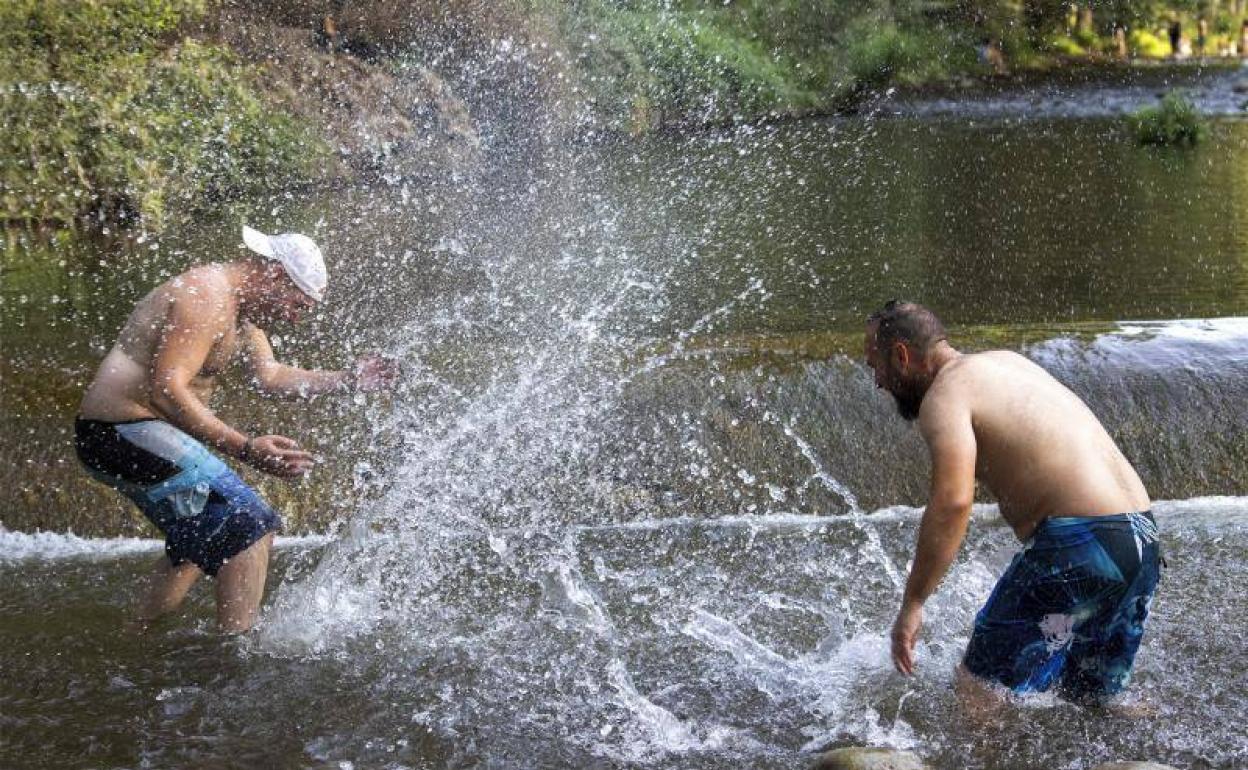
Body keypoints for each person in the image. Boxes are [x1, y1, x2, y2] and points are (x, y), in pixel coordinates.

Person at [75, 225, 397, 633]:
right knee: (250, 524)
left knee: (201, 538)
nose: (293, 318)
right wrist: (246, 448)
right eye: (297, 305)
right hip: (118, 431)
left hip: (132, 434)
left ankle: (134, 637)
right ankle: (236, 655)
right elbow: (166, 390)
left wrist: (349, 379)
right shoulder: (206, 294)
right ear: (276, 274)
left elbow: (270, 376)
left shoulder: (241, 311)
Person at [863, 300, 1161, 713]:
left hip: (1081, 542)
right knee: (1093, 697)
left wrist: (913, 603)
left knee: (980, 688)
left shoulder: (945, 397)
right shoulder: (1006, 363)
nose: (878, 381)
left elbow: (953, 502)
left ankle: (987, 750)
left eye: (875, 365)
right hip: (1141, 537)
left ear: (901, 355)